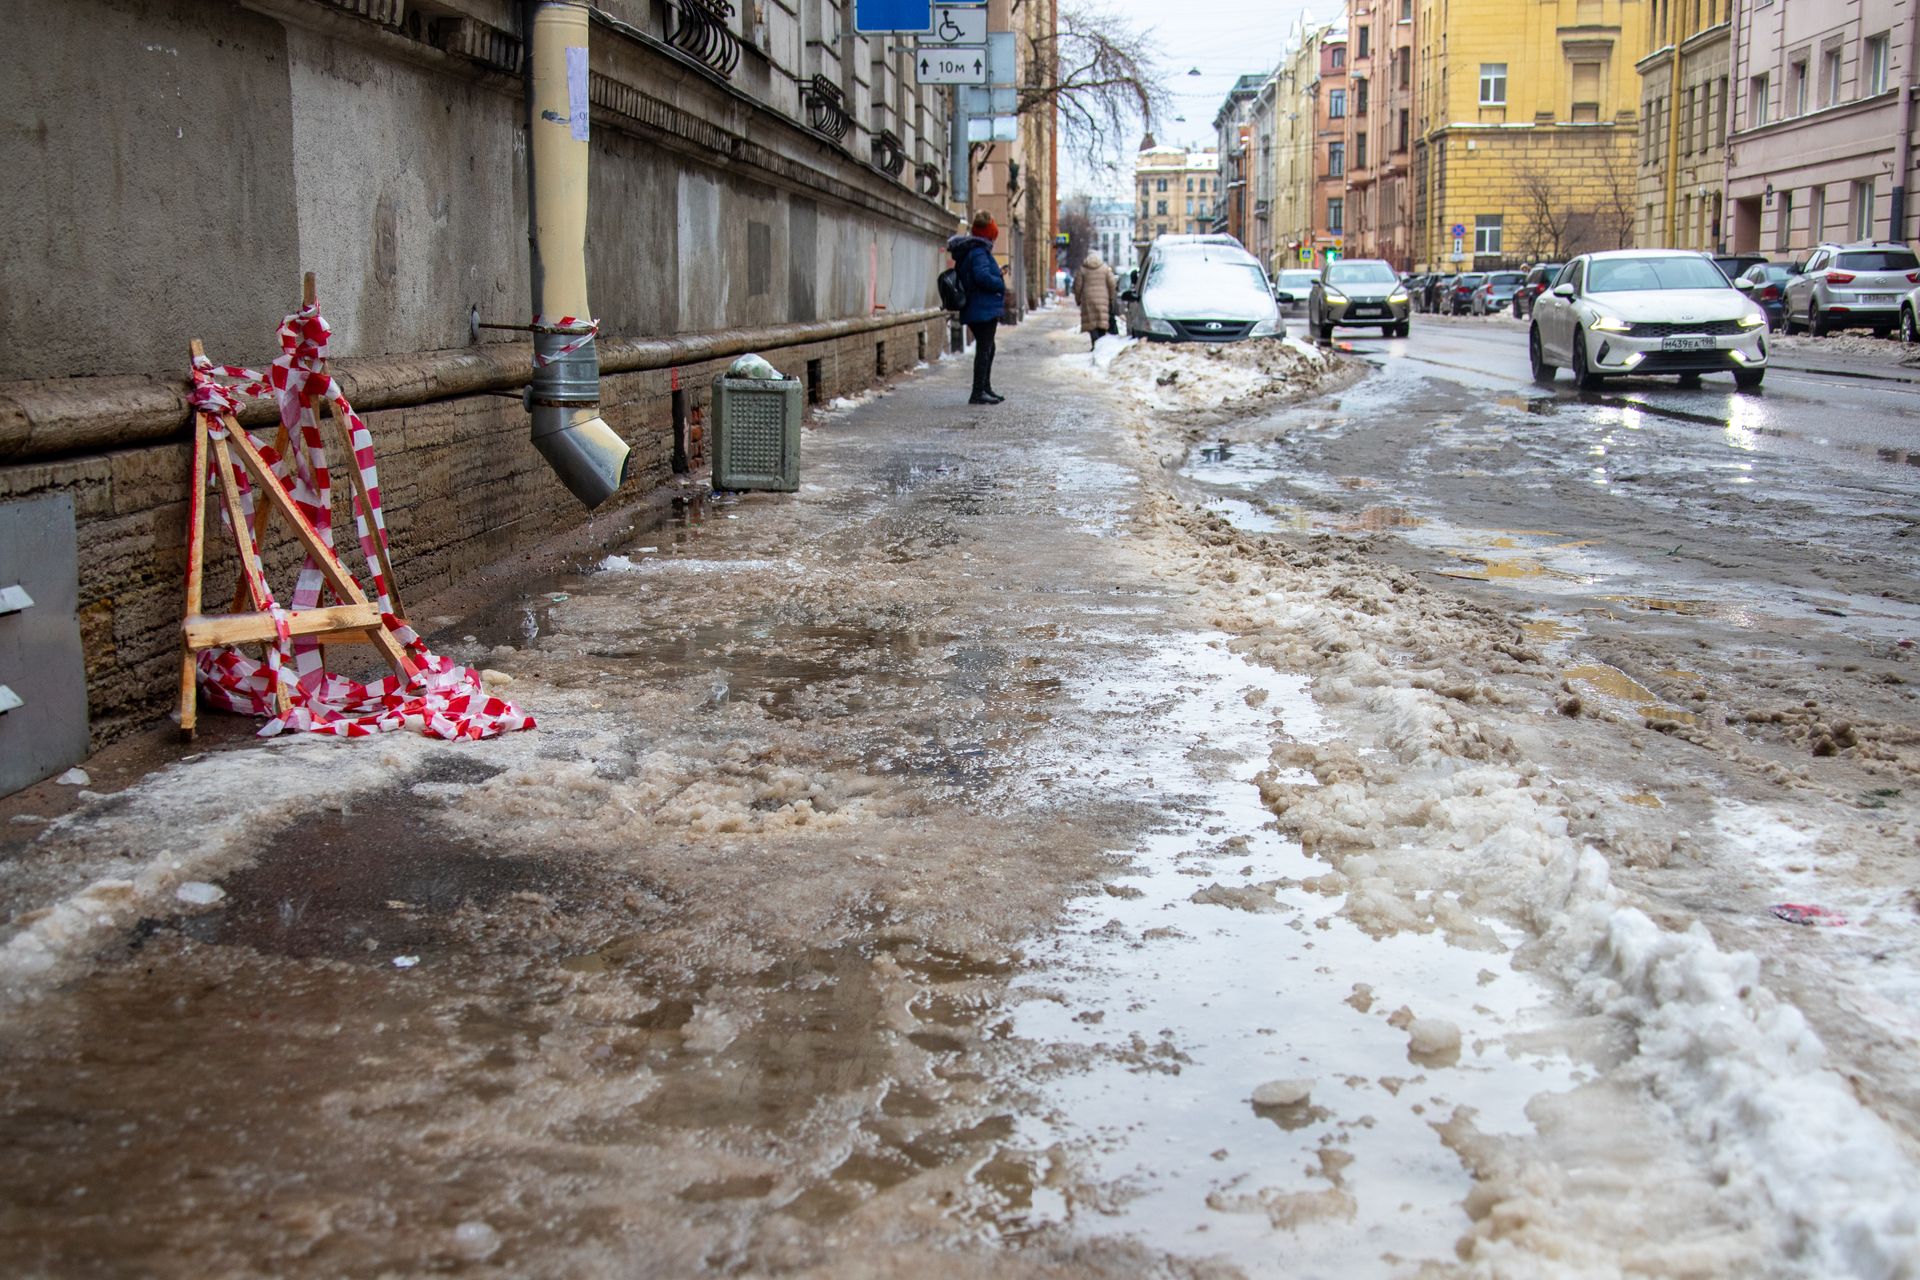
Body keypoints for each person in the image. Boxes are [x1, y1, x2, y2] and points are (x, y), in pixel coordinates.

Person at [947, 212, 1007, 405]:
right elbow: (981, 277)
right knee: (985, 348)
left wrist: (996, 273)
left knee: (989, 347)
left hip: (979, 306)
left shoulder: (975, 250)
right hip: (981, 307)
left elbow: (978, 274)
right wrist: (999, 281)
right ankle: (978, 392)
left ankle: (984, 388)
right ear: (989, 234)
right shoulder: (979, 251)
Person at [1073, 252, 1118, 351]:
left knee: (1091, 323)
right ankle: (1100, 344)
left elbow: (1077, 286)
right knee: (1101, 322)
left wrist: (1078, 299)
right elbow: (1112, 284)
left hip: (1088, 299)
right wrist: (1111, 298)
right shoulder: (1105, 268)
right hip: (1103, 299)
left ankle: (1095, 343)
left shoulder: (1083, 269)